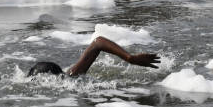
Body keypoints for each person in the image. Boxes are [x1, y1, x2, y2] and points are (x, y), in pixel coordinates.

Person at [27, 36, 160, 77]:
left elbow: (98, 42)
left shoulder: (70, 77)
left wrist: (129, 58)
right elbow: (98, 43)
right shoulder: (69, 76)